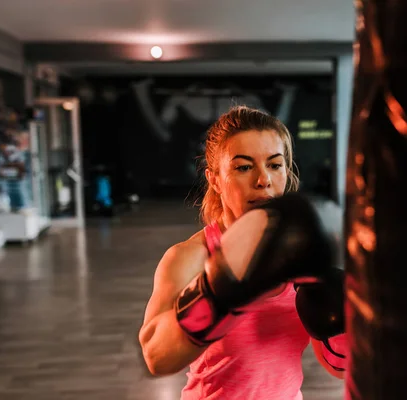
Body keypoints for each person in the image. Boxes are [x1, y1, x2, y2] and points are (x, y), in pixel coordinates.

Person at [139, 105, 346, 400]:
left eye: (275, 165)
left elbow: (337, 367)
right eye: (244, 167)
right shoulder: (191, 257)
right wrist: (217, 293)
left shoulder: (299, 256)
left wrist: (337, 315)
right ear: (214, 179)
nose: (263, 180)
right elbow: (156, 357)